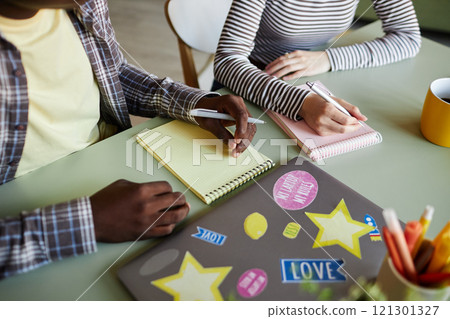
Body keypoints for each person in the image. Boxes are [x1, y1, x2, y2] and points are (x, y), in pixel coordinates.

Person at [0, 0, 256, 279]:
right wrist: (87, 223)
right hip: (36, 223)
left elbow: (110, 74)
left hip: (118, 172)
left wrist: (196, 103)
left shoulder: (83, 5)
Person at [214, 0, 421, 136]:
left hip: (316, 76)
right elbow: (227, 61)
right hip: (249, 80)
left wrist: (327, 58)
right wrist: (300, 103)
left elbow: (408, 37)